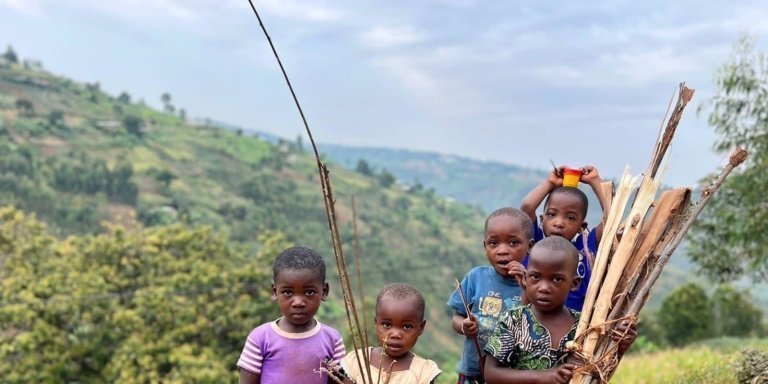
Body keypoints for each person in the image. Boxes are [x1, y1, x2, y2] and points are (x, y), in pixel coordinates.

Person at [483, 237, 636, 384]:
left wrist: (619, 349)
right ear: (526, 277)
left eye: (556, 279)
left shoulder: (584, 326)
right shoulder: (514, 320)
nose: (543, 288)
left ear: (574, 283)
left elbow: (597, 375)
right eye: (535, 277)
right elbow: (491, 373)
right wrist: (542, 377)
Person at [447, 207, 533, 384]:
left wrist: (526, 287)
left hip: (510, 374)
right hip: (472, 370)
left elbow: (533, 324)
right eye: (494, 243)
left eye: (513, 243)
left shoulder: (533, 283)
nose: (502, 250)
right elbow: (457, 317)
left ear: (529, 246)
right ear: (485, 246)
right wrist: (464, 326)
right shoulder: (475, 277)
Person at [237, 246, 346, 384]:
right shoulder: (260, 339)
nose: (298, 302)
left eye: (309, 292)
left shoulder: (332, 340)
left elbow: (341, 381)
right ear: (275, 292)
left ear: (324, 291)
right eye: (288, 292)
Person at [520, 165, 606, 310]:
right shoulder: (535, 244)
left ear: (581, 227)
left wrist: (595, 181)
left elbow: (613, 217)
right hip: (532, 325)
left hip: (574, 328)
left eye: (570, 218)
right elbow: (527, 207)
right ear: (542, 219)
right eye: (552, 214)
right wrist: (550, 183)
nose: (559, 223)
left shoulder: (584, 249)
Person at [339, 283, 441, 384]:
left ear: (421, 327)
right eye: (387, 325)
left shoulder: (422, 372)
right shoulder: (358, 362)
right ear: (376, 322)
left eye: (407, 327)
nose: (395, 334)